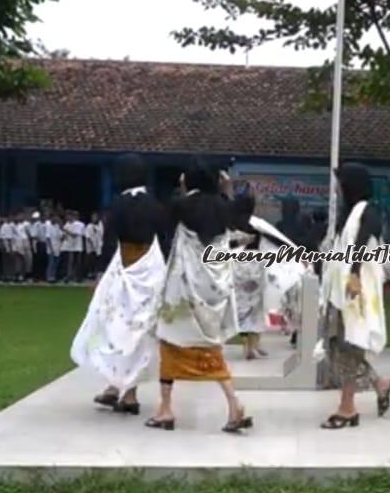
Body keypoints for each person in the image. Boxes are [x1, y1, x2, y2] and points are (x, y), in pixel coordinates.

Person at [149, 159, 252, 433]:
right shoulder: (223, 207)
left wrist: (183, 191)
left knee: (170, 341)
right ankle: (233, 403)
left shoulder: (181, 205)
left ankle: (166, 408)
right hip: (214, 287)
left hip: (184, 287)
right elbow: (241, 226)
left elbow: (161, 223)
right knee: (210, 346)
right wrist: (226, 192)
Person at [71, 153, 168, 416]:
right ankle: (125, 391)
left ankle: (120, 388)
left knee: (114, 328)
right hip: (150, 270)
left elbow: (109, 240)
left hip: (124, 267)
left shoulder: (118, 205)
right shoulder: (155, 204)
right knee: (139, 332)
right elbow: (166, 240)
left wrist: (101, 273)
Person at [316, 162, 390, 429]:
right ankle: (379, 383)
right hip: (342, 291)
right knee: (340, 345)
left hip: (355, 293)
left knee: (348, 346)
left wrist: (352, 273)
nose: (338, 189)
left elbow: (362, 245)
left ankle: (348, 407)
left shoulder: (368, 212)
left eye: (341, 184)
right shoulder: (348, 213)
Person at [230, 187, 303, 360]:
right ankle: (253, 346)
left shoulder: (231, 223)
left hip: (236, 267)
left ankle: (246, 346)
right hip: (254, 266)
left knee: (241, 307)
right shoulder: (255, 222)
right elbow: (276, 239)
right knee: (255, 307)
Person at [61, 211, 85, 282]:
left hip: (77, 246)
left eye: (69, 216)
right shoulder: (66, 224)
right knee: (69, 263)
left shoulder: (79, 224)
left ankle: (78, 277)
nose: (67, 217)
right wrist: (63, 235)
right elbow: (64, 236)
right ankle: (68, 276)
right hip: (69, 247)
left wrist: (66, 231)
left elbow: (75, 235)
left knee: (78, 263)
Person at [84, 212, 104, 279]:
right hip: (91, 247)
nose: (94, 218)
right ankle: (90, 273)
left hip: (98, 247)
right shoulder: (89, 226)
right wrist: (92, 244)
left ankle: (96, 273)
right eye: (93, 217)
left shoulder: (100, 225)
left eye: (95, 217)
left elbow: (101, 234)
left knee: (97, 261)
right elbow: (87, 236)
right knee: (91, 261)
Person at [29, 212, 47, 281]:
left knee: (44, 260)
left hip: (45, 243)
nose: (44, 218)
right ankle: (36, 276)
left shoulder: (47, 224)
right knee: (37, 260)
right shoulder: (37, 224)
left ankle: (42, 276)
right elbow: (33, 235)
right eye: (43, 217)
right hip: (38, 243)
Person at [46, 213, 63, 283]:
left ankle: (54, 276)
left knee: (56, 263)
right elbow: (48, 238)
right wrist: (51, 248)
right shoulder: (49, 226)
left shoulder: (57, 226)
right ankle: (49, 276)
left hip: (58, 247)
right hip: (51, 247)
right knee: (51, 263)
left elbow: (61, 236)